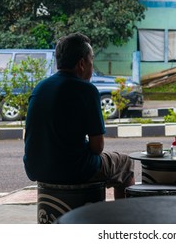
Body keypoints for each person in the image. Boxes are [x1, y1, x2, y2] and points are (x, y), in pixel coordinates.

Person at [23, 32, 135, 198]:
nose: (92, 68)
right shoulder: (86, 90)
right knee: (125, 163)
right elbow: (98, 147)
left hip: (35, 169)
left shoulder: (41, 87)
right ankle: (122, 221)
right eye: (92, 62)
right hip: (74, 169)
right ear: (82, 64)